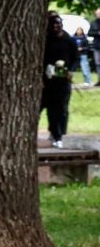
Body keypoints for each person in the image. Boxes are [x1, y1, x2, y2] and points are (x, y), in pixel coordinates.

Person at [43, 13, 77, 148]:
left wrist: (71, 71)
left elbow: (75, 58)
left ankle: (59, 135)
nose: (55, 26)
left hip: (63, 80)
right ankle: (54, 132)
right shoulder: (46, 39)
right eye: (53, 24)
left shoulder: (69, 40)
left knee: (61, 108)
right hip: (48, 79)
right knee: (51, 108)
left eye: (58, 23)